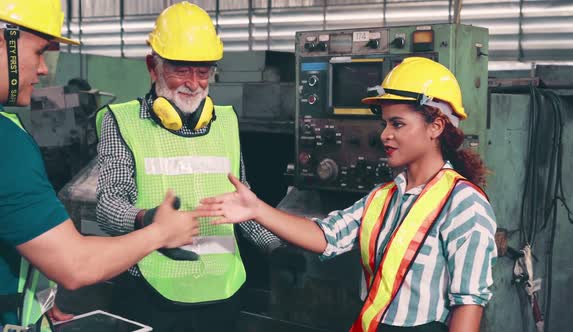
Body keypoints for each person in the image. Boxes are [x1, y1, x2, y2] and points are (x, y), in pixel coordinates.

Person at [196, 57, 498, 332]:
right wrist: (257, 209)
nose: (384, 135)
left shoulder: (464, 205)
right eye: (384, 124)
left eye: (398, 124)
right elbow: (326, 236)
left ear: (436, 126)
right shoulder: (383, 198)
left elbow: (468, 305)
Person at [0, 0, 202, 331]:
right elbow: (76, 264)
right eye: (39, 52)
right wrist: (160, 232)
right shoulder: (6, 142)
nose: (44, 70)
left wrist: (30, 299)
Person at [95, 2, 281, 331]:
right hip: (153, 292)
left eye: (202, 71)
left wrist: (276, 247)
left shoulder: (226, 122)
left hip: (224, 290)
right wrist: (147, 219)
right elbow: (108, 205)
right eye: (181, 70)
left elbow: (242, 203)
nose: (193, 83)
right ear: (153, 67)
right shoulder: (122, 121)